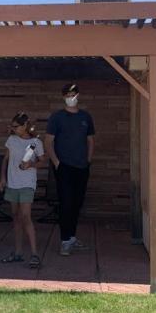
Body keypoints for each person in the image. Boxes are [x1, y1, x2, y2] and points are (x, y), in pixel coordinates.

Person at [44, 83, 95, 256]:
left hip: (82, 167)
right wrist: (56, 162)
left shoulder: (85, 117)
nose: (71, 97)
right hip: (64, 167)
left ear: (78, 95)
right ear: (63, 96)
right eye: (67, 94)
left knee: (77, 203)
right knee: (65, 203)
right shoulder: (57, 117)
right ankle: (65, 241)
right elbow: (48, 141)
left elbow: (90, 140)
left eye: (73, 94)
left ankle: (72, 237)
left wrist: (88, 160)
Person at [0, 112, 46, 268]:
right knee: (16, 217)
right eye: (12, 126)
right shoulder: (11, 140)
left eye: (16, 126)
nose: (13, 129)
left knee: (26, 216)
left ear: (25, 126)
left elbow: (41, 162)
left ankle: (35, 254)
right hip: (12, 183)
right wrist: (3, 178)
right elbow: (5, 160)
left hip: (27, 183)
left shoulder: (35, 142)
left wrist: (30, 165)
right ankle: (18, 252)